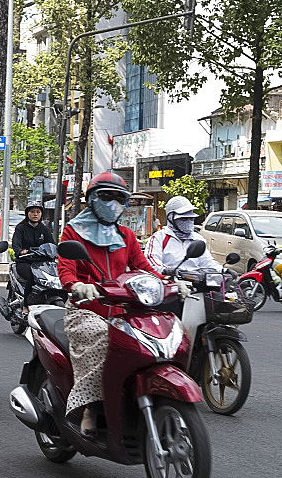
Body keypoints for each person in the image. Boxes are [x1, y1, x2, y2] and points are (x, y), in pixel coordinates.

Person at [57, 172, 171, 435]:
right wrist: (77, 286)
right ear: (92, 199)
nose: (112, 203)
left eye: (119, 198)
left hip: (124, 311)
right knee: (103, 338)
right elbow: (66, 269)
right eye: (106, 196)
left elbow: (143, 267)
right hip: (85, 310)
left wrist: (167, 283)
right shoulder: (73, 231)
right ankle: (90, 408)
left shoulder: (126, 236)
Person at [144, 195, 223, 275]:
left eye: (191, 218)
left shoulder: (197, 239)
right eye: (183, 219)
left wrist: (223, 271)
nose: (188, 221)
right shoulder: (159, 238)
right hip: (170, 282)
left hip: (195, 283)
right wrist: (168, 271)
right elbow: (151, 262)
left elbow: (207, 263)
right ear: (171, 218)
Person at [12, 200, 55, 298]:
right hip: (25, 262)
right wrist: (20, 251)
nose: (35, 214)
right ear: (27, 214)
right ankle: (26, 304)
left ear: (41, 214)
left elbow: (51, 244)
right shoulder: (21, 228)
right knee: (32, 275)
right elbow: (16, 244)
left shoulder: (44, 229)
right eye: (32, 212)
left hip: (41, 263)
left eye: (38, 212)